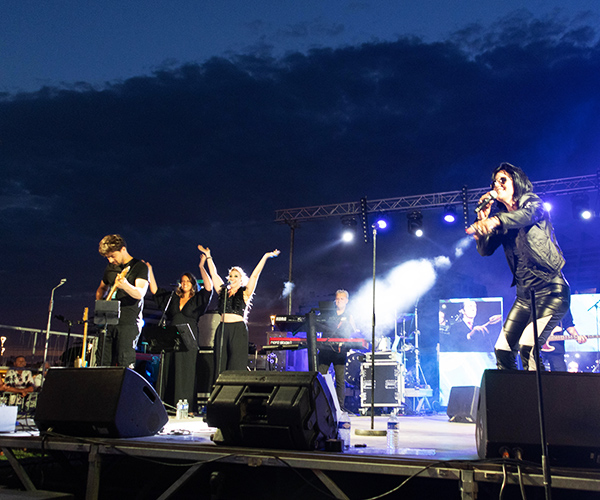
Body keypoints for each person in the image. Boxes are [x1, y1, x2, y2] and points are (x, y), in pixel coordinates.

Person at [466, 163, 570, 370]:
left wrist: (495, 220)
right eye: (494, 182)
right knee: (503, 351)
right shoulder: (501, 220)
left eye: (502, 180)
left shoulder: (532, 203)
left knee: (528, 348)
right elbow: (485, 250)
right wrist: (483, 219)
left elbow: (526, 216)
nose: (497, 185)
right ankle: (513, 392)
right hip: (524, 297)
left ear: (517, 181)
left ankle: (540, 392)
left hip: (550, 290)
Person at [145, 249, 213, 412]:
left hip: (189, 339)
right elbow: (155, 291)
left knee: (187, 371)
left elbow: (209, 287)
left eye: (188, 281)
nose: (184, 283)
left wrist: (201, 266)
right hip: (172, 338)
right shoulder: (172, 298)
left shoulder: (197, 299)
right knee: (170, 368)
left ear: (193, 283)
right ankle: (168, 405)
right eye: (182, 281)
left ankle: (186, 406)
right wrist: (150, 270)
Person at [198, 245, 280, 378]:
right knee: (220, 363)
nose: (232, 278)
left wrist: (265, 256)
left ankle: (235, 388)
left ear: (241, 279)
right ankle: (219, 388)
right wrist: (208, 255)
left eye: (236, 276)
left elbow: (255, 275)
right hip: (222, 329)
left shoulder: (245, 293)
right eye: (230, 275)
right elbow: (213, 274)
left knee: (236, 364)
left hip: (238, 329)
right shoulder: (223, 292)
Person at [96, 234, 149, 368]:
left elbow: (140, 293)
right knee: (102, 362)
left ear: (123, 249)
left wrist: (125, 285)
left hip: (128, 322)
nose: (110, 260)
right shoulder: (110, 268)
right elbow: (102, 288)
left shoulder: (140, 267)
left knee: (124, 364)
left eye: (112, 256)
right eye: (107, 257)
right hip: (108, 320)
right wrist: (100, 303)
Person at [318, 289, 360, 411]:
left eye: (342, 299)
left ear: (346, 301)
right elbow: (318, 325)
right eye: (337, 299)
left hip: (340, 350)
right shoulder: (328, 313)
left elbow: (354, 332)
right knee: (320, 376)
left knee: (340, 380)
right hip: (326, 349)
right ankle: (320, 405)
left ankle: (339, 408)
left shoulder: (349, 315)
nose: (339, 301)